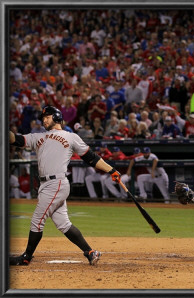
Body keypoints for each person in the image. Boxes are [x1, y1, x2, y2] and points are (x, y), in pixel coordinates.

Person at [9, 106, 123, 266]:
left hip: (56, 183)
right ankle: (90, 252)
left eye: (47, 117)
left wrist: (111, 170)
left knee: (37, 220)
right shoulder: (38, 137)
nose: (44, 120)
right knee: (63, 223)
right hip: (45, 184)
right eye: (43, 118)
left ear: (56, 117)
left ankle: (26, 257)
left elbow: (91, 158)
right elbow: (16, 139)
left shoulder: (70, 137)